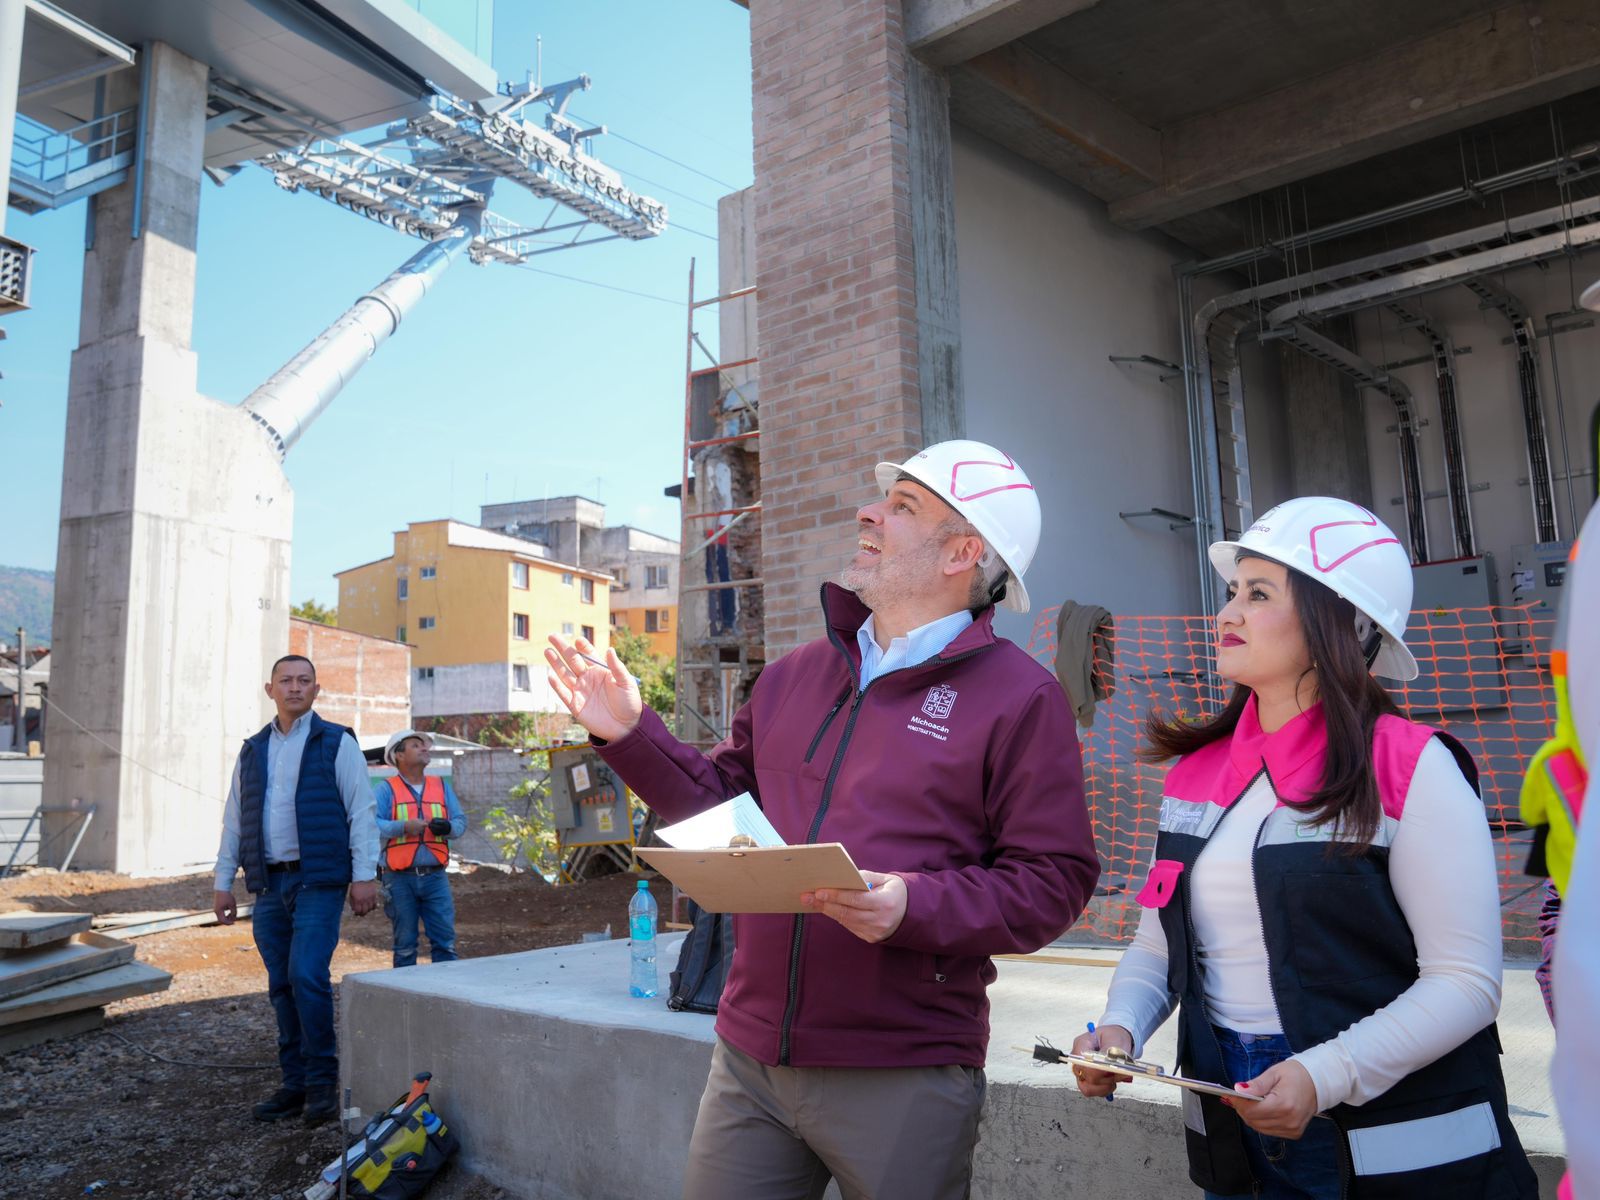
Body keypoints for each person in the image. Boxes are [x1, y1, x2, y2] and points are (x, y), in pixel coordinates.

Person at [546, 439, 1100, 1200]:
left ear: (962, 553)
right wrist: (631, 735)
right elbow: (723, 812)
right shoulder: (794, 677)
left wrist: (912, 905)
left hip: (902, 1068)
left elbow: (1053, 881)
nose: (869, 512)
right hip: (750, 1060)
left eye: (902, 506)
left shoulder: (1021, 698)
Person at [1072, 496, 1538, 1199]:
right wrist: (1119, 1031)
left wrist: (1324, 1075)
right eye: (1234, 591)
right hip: (1234, 1127)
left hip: (1393, 1153)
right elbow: (1158, 948)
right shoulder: (1196, 772)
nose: (1227, 613)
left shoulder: (1412, 766)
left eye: (1258, 594)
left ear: (1341, 624)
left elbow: (1466, 983)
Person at [213, 654, 379, 1127]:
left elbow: (361, 811)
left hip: (318, 880)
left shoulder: (336, 742)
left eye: (304, 680)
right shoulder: (253, 750)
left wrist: (364, 875)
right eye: (285, 680)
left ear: (316, 690)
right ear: (270, 690)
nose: (294, 687)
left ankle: (322, 1085)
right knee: (281, 984)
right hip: (268, 884)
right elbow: (234, 819)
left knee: (306, 974)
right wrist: (223, 883)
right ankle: (296, 1084)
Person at [376, 728, 466, 968]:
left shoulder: (440, 786)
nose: (424, 748)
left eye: (424, 745)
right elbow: (372, 825)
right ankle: (405, 990)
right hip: (399, 879)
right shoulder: (386, 789)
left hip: (435, 877)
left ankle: (446, 988)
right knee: (405, 947)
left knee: (445, 944)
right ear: (399, 756)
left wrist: (447, 827)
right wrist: (404, 826)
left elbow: (460, 822)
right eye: (415, 745)